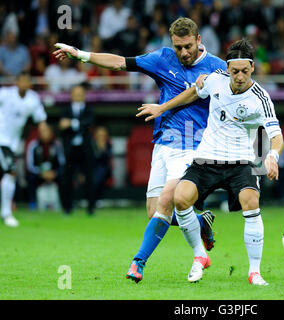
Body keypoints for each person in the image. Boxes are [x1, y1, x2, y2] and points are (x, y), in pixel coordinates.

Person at [53, 17, 226, 282]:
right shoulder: (163, 58)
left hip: (194, 145)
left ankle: (138, 263)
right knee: (155, 211)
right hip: (163, 144)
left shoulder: (217, 67)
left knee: (168, 201)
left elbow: (210, 96)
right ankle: (200, 222)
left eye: (188, 46)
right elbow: (121, 62)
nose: (184, 53)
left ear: (199, 40)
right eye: (178, 47)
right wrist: (81, 55)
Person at [137, 39, 284, 285]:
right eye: (234, 71)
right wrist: (162, 108)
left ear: (252, 69)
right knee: (180, 198)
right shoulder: (214, 79)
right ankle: (199, 257)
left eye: (244, 72)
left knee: (251, 200)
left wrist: (272, 156)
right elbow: (192, 93)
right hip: (207, 158)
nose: (239, 77)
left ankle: (255, 272)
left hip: (241, 161)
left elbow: (276, 135)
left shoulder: (261, 97)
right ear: (227, 68)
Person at [0, 72, 47, 227]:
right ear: (17, 82)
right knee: (11, 172)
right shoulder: (6, 94)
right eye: (21, 80)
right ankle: (6, 213)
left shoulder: (32, 99)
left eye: (27, 81)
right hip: (2, 140)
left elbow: (40, 118)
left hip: (12, 144)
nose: (24, 83)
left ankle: (6, 211)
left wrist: (43, 128)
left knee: (9, 175)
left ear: (30, 84)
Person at [59, 84, 95, 215]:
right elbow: (61, 126)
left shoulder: (89, 109)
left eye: (80, 93)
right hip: (70, 149)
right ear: (71, 95)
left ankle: (91, 208)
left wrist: (71, 123)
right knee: (67, 178)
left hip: (85, 149)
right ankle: (67, 208)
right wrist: (80, 124)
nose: (78, 95)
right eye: (76, 93)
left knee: (89, 178)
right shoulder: (65, 110)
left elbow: (88, 123)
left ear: (84, 95)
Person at [26, 123, 66, 211]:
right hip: (39, 173)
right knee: (31, 178)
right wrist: (41, 173)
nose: (45, 133)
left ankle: (64, 203)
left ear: (51, 132)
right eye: (42, 132)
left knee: (64, 177)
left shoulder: (57, 144)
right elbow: (30, 165)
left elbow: (62, 162)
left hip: (53, 173)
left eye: (46, 131)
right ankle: (32, 202)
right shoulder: (33, 145)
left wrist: (54, 172)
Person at [92, 126, 113, 203]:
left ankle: (97, 199)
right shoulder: (91, 144)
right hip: (91, 169)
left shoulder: (108, 145)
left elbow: (107, 158)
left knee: (100, 171)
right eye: (99, 135)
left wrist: (102, 149)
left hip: (104, 169)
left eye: (103, 135)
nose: (101, 137)